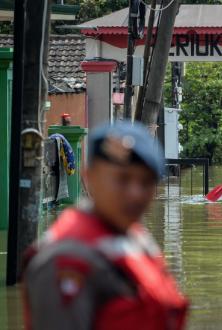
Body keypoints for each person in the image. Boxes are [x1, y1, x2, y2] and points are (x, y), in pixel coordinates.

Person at [23, 122, 188, 330]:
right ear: (89, 177)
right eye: (122, 179)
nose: (135, 193)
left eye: (146, 182)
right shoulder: (65, 259)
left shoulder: (133, 235)